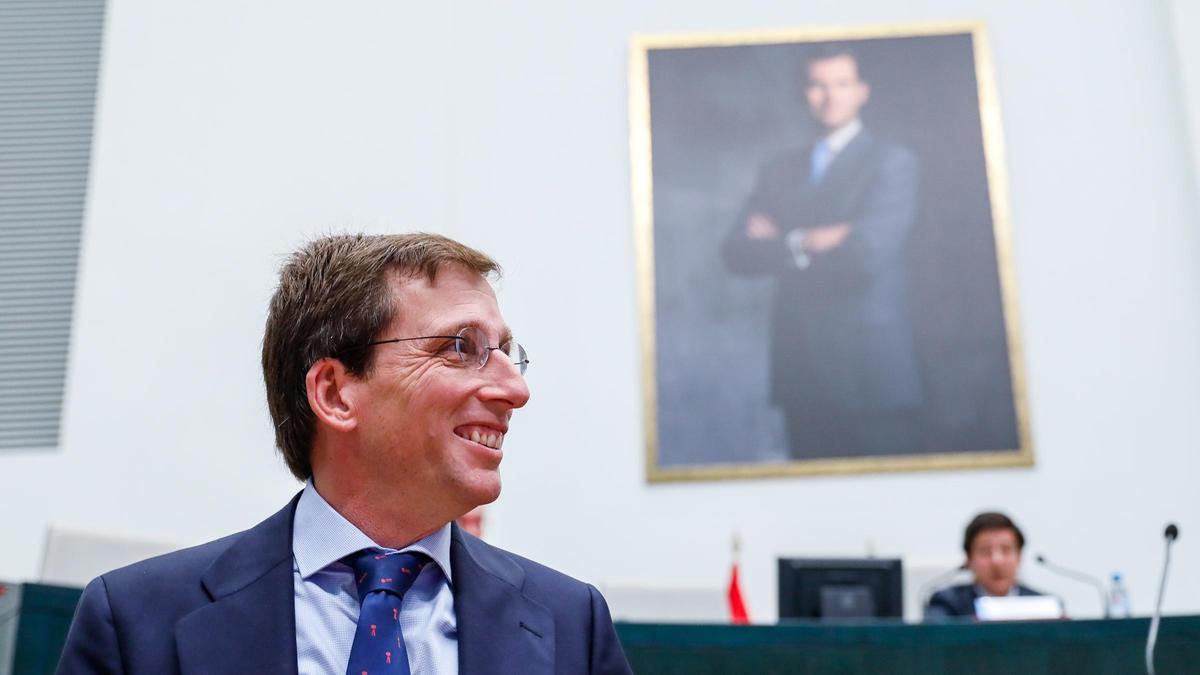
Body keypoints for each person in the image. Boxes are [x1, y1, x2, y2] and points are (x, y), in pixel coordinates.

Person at [57, 233, 632, 674]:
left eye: (509, 353)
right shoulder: (134, 624)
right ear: (335, 392)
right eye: (461, 348)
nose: (516, 390)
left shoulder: (571, 625)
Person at [721, 44, 923, 459]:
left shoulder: (891, 163)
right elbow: (737, 253)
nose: (830, 96)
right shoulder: (781, 169)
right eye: (817, 85)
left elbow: (865, 256)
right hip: (800, 369)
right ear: (803, 92)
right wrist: (808, 240)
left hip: (870, 373)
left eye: (841, 84)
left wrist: (780, 242)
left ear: (862, 90)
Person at [925, 511, 1044, 619]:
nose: (997, 561)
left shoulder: (1043, 604)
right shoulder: (947, 603)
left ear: (1019, 557)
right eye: (986, 552)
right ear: (969, 559)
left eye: (1006, 550)